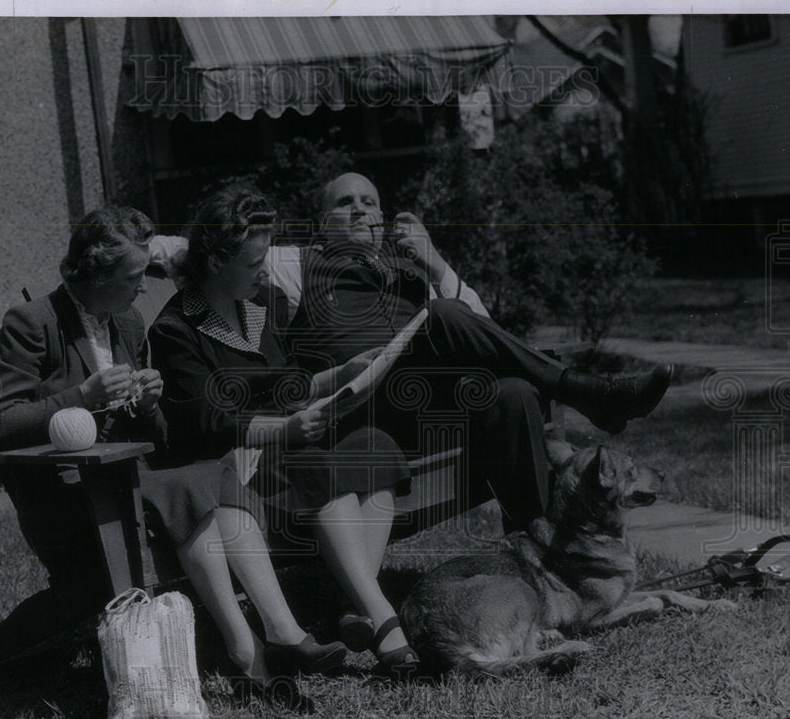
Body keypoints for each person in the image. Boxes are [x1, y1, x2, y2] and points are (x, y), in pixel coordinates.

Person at [0, 204, 344, 709]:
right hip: (70, 495)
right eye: (134, 277)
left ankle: (270, 640)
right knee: (195, 485)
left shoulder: (127, 322)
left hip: (130, 485)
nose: (143, 288)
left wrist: (148, 403)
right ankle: (254, 649)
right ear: (94, 274)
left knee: (215, 476)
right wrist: (82, 396)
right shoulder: (33, 324)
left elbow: (157, 437)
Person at [279, 172, 673, 533]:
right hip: (358, 416)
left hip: (424, 415)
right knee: (444, 313)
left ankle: (534, 552)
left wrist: (435, 263)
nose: (359, 210)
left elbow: (486, 336)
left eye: (368, 202)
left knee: (514, 393)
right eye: (345, 202)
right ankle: (589, 393)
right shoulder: (295, 263)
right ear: (320, 224)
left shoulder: (411, 271)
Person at [148, 188, 421, 680]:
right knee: (314, 460)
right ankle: (381, 617)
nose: (265, 272)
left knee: (375, 445)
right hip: (228, 464)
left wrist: (341, 375)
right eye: (254, 263)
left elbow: (286, 382)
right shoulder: (176, 329)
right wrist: (287, 427)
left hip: (277, 450)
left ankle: (356, 603)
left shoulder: (254, 311)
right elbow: (206, 421)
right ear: (214, 263)